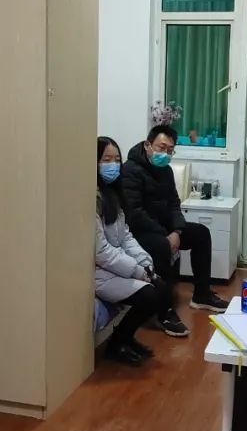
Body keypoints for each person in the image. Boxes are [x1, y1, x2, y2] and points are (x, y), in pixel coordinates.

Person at [121, 125, 229, 335]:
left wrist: (177, 231)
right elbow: (134, 213)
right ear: (148, 145)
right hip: (140, 232)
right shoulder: (130, 170)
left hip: (166, 229)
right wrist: (166, 235)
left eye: (170, 150)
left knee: (201, 233)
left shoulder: (166, 171)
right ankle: (164, 312)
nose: (165, 154)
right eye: (162, 147)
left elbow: (174, 204)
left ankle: (202, 294)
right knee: (162, 246)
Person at [95, 136, 173, 365]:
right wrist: (136, 271)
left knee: (161, 288)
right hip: (99, 271)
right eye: (106, 160)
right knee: (150, 295)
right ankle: (117, 344)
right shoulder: (93, 199)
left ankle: (126, 339)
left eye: (116, 160)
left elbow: (126, 236)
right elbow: (102, 252)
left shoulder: (113, 194)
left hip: (114, 267)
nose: (113, 165)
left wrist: (144, 262)